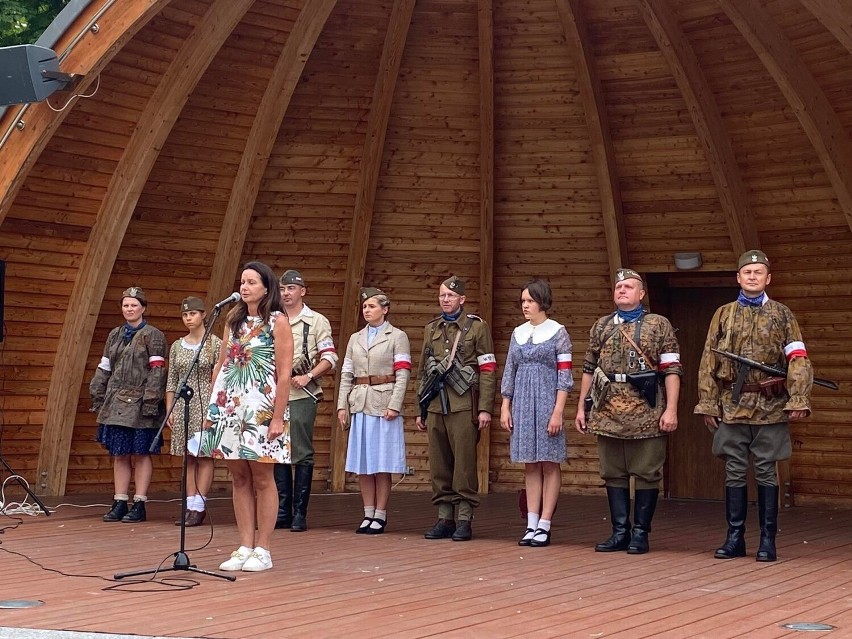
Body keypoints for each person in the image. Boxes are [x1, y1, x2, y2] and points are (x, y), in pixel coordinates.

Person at [694, 250, 813, 563]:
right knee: (733, 472)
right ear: (738, 277)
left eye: (758, 272)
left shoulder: (782, 315)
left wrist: (798, 397)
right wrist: (708, 402)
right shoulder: (723, 314)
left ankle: (767, 540)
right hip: (732, 406)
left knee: (766, 472)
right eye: (747, 272)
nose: (752, 276)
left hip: (769, 407)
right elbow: (708, 359)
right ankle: (734, 538)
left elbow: (797, 358)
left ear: (768, 278)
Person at [575, 269, 682, 554]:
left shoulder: (658, 325)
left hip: (647, 410)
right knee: (613, 473)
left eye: (629, 287)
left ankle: (640, 533)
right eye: (619, 286)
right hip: (607, 409)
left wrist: (671, 409)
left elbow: (671, 370)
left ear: (641, 294)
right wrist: (582, 406)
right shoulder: (601, 326)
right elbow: (588, 368)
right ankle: (619, 532)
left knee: (647, 473)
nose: (622, 290)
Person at [204, 262, 294, 572]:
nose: (244, 287)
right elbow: (220, 365)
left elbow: (284, 374)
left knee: (262, 478)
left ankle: (263, 549)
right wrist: (211, 410)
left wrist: (278, 418)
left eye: (251, 282)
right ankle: (244, 544)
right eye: (242, 281)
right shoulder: (232, 320)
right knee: (238, 477)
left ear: (266, 288)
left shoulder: (278, 322)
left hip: (262, 410)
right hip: (229, 408)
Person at [415, 276, 497, 542]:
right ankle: (444, 517)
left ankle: (464, 518)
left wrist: (485, 408)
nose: (445, 300)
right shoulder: (432, 328)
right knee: (439, 463)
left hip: (464, 404)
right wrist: (421, 408)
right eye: (442, 296)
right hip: (436, 405)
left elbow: (487, 370)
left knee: (463, 463)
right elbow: (422, 371)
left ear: (462, 299)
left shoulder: (476, 328)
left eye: (450, 296)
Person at [500, 279, 573, 547]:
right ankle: (530, 522)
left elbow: (565, 374)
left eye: (529, 301)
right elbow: (510, 370)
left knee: (549, 462)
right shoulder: (518, 333)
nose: (525, 306)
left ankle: (545, 522)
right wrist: (505, 405)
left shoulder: (558, 333)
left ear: (542, 302)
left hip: (546, 402)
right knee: (530, 463)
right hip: (522, 403)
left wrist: (558, 411)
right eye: (522, 301)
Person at [337, 287, 411, 534]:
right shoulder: (355, 338)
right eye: (365, 306)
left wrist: (395, 404)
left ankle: (381, 513)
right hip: (360, 402)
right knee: (363, 462)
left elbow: (402, 374)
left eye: (372, 306)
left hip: (383, 402)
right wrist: (341, 405)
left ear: (385, 309)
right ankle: (367, 512)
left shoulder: (397, 336)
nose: (367, 310)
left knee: (381, 462)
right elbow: (346, 373)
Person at [90, 286, 167, 523]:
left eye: (134, 305)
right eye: (125, 305)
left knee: (141, 454)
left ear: (143, 308)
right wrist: (97, 391)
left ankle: (140, 503)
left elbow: (157, 371)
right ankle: (120, 501)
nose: (129, 309)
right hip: (116, 402)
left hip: (142, 402)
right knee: (120, 453)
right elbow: (105, 366)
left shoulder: (153, 335)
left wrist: (151, 401)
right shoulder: (114, 334)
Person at [274, 269, 338, 532]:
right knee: (277, 453)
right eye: (283, 289)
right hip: (275, 395)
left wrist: (308, 375)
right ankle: (282, 511)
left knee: (300, 452)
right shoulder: (274, 319)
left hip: (302, 394)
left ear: (303, 291)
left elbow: (330, 358)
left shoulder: (316, 321)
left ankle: (300, 512)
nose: (286, 293)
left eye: (291, 288)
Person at [165, 296, 221, 527]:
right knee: (189, 457)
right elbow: (172, 379)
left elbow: (220, 378)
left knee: (205, 455)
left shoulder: (215, 344)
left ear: (203, 315)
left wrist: (215, 409)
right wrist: (169, 408)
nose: (189, 318)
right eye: (185, 315)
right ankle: (189, 505)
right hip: (184, 404)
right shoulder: (178, 345)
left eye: (193, 314)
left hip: (207, 403)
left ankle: (200, 505)